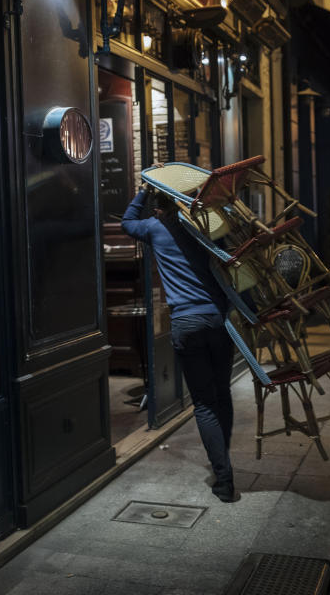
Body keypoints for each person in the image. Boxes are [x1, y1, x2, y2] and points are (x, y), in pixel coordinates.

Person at [121, 186, 237, 503]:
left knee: (204, 403)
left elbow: (127, 222)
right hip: (218, 320)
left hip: (186, 323)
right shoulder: (205, 225)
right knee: (222, 393)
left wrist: (143, 191)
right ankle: (223, 465)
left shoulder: (154, 228)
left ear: (158, 207)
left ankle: (224, 478)